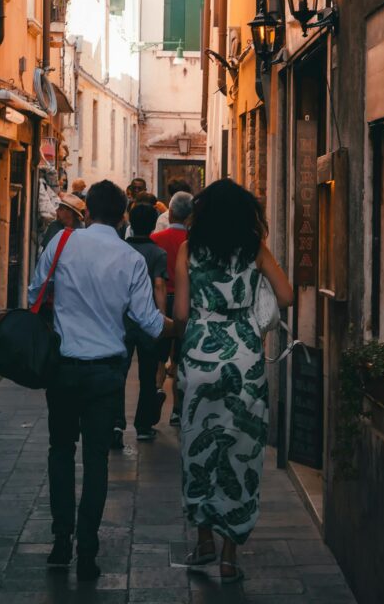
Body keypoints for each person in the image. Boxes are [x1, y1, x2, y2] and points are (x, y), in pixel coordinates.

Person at [28, 180, 173, 581]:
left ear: (87, 211)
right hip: (106, 370)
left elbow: (34, 293)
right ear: (123, 215)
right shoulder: (130, 260)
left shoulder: (60, 245)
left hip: (63, 366)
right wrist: (178, 328)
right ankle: (87, 549)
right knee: (95, 459)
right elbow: (147, 321)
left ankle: (61, 541)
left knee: (60, 451)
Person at [173, 179, 293, 584]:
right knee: (241, 451)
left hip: (200, 357)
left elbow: (183, 311)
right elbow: (288, 295)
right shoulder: (254, 250)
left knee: (198, 447)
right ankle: (228, 556)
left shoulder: (188, 251)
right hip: (245, 361)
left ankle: (203, 540)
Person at [111, 203, 168, 447]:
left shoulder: (120, 250)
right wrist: (161, 319)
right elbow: (159, 286)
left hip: (122, 319)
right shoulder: (158, 253)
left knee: (118, 373)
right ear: (154, 224)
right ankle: (143, 425)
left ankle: (115, 423)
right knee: (147, 374)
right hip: (147, 321)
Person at [151, 190, 193, 424]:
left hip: (161, 301)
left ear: (171, 212)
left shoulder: (156, 239)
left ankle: (157, 391)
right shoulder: (193, 242)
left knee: (159, 355)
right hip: (185, 302)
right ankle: (177, 409)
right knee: (179, 358)